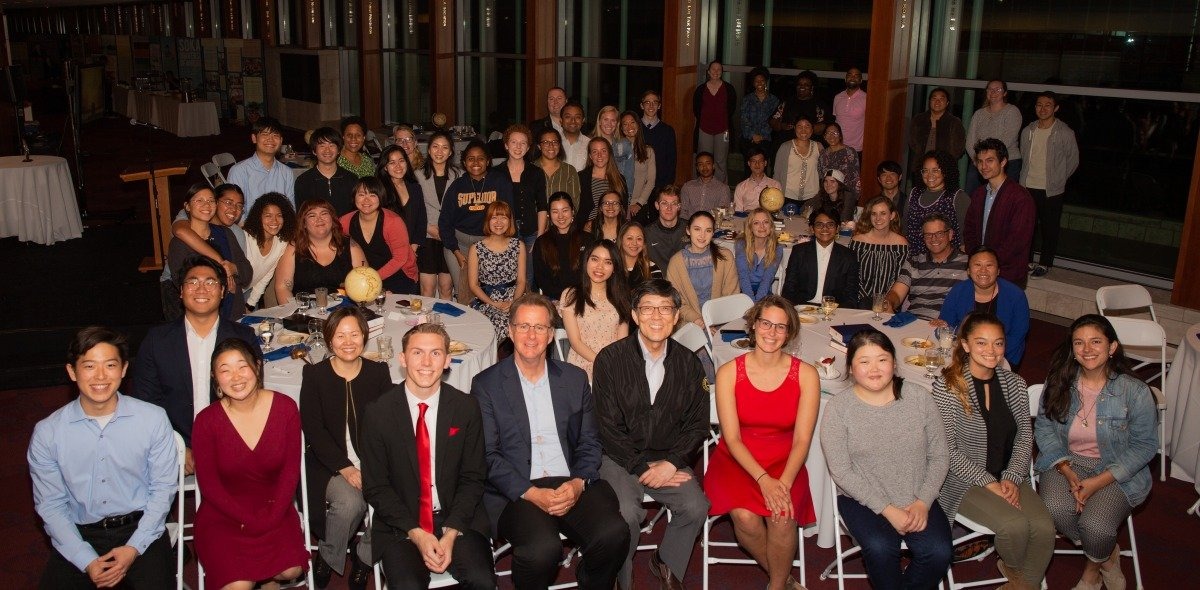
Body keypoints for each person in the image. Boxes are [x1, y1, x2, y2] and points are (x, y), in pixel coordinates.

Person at [473, 294, 631, 588]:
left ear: (550, 334)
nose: (531, 336)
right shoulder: (487, 385)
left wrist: (578, 483)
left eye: (540, 327)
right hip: (519, 489)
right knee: (542, 550)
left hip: (569, 480)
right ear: (510, 331)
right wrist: (532, 493)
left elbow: (589, 442)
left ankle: (590, 581)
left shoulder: (574, 379)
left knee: (614, 533)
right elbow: (488, 455)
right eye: (523, 326)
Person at [29, 327, 177, 590]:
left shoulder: (153, 419)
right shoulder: (48, 433)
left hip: (141, 528)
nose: (100, 376)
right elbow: (51, 506)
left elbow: (163, 490)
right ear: (72, 371)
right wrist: (86, 559)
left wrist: (133, 547)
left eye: (110, 365)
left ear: (124, 369)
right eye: (89, 366)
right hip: (81, 532)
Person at [593, 279, 711, 590]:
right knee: (627, 513)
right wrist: (641, 467)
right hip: (619, 458)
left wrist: (673, 462)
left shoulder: (689, 364)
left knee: (696, 507)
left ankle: (666, 563)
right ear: (634, 315)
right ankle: (622, 579)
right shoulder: (610, 359)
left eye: (665, 309)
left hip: (668, 457)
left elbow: (698, 424)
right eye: (647, 309)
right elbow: (606, 425)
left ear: (676, 317)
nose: (656, 317)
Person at [359, 323, 496, 590]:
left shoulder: (466, 407)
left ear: (447, 361)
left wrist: (452, 531)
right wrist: (417, 534)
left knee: (483, 581)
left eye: (435, 353)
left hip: (457, 516)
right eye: (417, 352)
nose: (426, 362)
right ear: (402, 358)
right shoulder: (378, 413)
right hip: (401, 522)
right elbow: (376, 487)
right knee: (408, 585)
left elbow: (474, 477)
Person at [820, 329, 952, 590]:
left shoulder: (920, 398)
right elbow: (842, 473)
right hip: (864, 499)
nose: (874, 369)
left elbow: (939, 455)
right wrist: (887, 509)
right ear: (851, 367)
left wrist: (923, 502)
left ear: (894, 362)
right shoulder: (838, 409)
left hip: (916, 495)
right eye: (864, 361)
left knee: (938, 552)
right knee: (880, 549)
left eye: (882, 359)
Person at [1034, 314, 1158, 590]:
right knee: (1055, 509)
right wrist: (1065, 470)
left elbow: (1146, 445)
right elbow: (1043, 428)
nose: (1087, 349)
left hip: (1115, 467)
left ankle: (1092, 572)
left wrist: (1096, 483)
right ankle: (1105, 554)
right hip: (1067, 460)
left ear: (1112, 347)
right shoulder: (1059, 382)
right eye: (1079, 343)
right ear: (1072, 349)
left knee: (1096, 527)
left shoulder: (1134, 391)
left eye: (1095, 342)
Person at [703, 296, 819, 590]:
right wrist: (764, 480)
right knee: (744, 516)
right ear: (753, 325)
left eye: (781, 327)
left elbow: (803, 439)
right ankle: (784, 578)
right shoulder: (729, 372)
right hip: (737, 458)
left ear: (790, 333)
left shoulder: (806, 375)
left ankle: (777, 586)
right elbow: (731, 438)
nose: (772, 332)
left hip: (785, 458)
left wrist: (784, 482)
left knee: (782, 516)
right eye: (766, 323)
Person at [931, 313, 1054, 590]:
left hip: (1010, 475)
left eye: (998, 344)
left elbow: (1024, 436)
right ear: (965, 345)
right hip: (963, 482)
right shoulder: (947, 387)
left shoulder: (1016, 384)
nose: (991, 351)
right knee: (1014, 527)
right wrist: (990, 482)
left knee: (1045, 529)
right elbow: (947, 451)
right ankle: (1020, 576)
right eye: (982, 343)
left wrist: (1011, 477)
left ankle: (1021, 584)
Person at [192, 338, 309, 590]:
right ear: (216, 380)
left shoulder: (285, 408)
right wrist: (247, 519)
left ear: (257, 367)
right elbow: (210, 487)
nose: (235, 377)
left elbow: (290, 473)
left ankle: (268, 581)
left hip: (273, 506)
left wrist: (272, 516)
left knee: (291, 569)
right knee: (239, 584)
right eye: (225, 370)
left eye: (241, 366)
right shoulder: (206, 421)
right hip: (223, 513)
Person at [300, 308, 391, 589]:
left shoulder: (378, 372)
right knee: (351, 502)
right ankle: (328, 557)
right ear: (329, 340)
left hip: (374, 461)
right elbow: (314, 430)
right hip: (328, 463)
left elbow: (387, 425)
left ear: (365, 337)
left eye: (355, 334)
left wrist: (373, 467)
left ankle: (364, 558)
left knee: (397, 499)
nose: (348, 341)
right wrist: (346, 467)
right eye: (340, 335)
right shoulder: (314, 375)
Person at [133, 256, 258, 456]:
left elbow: (252, 399)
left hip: (231, 444)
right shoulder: (157, 341)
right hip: (171, 445)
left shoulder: (244, 338)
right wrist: (177, 447)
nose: (201, 289)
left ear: (223, 291)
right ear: (181, 292)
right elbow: (145, 403)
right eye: (192, 282)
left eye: (210, 282)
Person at [440, 141, 516, 303]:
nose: (475, 163)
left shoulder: (499, 182)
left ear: (488, 161)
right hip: (459, 246)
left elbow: (508, 215)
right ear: (464, 162)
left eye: (480, 158)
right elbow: (445, 222)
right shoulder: (457, 186)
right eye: (470, 159)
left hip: (488, 243)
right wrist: (456, 251)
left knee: (486, 292)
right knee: (464, 293)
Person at [165, 184, 253, 321]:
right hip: (198, 317)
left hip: (231, 313)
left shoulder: (226, 234)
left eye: (211, 201)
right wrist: (225, 277)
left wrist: (233, 268)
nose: (206, 205)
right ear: (187, 206)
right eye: (199, 200)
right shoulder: (179, 243)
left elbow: (247, 273)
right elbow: (183, 283)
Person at [1020, 91, 1080, 279]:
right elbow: (1024, 156)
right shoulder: (1028, 130)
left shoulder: (1065, 132)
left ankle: (1045, 263)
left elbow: (1073, 160)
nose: (1043, 108)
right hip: (1028, 186)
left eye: (1047, 105)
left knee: (1050, 228)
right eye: (1039, 104)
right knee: (1028, 226)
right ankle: (1027, 260)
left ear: (1056, 108)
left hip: (1051, 190)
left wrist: (1058, 179)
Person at [938, 246, 1030, 367]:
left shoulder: (1016, 295)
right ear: (968, 271)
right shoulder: (958, 290)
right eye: (977, 265)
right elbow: (946, 325)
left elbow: (1017, 336)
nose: (983, 271)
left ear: (998, 271)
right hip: (964, 353)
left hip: (1003, 356)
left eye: (989, 265)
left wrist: (989, 355)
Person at [963, 138, 1036, 289]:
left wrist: (989, 264)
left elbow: (1017, 241)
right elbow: (969, 230)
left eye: (989, 160)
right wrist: (976, 260)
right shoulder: (979, 194)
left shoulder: (1020, 197)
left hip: (1008, 275)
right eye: (980, 161)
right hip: (980, 273)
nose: (983, 166)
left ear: (1003, 162)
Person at [561, 240, 631, 380]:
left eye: (608, 262)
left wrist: (614, 365)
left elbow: (622, 343)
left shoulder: (621, 297)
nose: (600, 267)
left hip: (613, 364)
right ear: (586, 261)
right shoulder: (571, 295)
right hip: (582, 364)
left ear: (614, 268)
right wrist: (601, 362)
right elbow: (575, 342)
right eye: (595, 259)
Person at [274, 199, 368, 303]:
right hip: (305, 312)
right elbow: (283, 288)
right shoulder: (293, 248)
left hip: (343, 312)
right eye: (312, 215)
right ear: (304, 223)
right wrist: (295, 315)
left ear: (332, 219)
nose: (319, 219)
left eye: (324, 213)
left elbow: (366, 285)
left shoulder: (351, 246)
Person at [341, 177, 418, 295]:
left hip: (398, 276)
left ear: (380, 197)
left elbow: (400, 259)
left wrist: (372, 279)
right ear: (354, 197)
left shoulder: (393, 221)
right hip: (364, 280)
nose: (366, 200)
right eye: (361, 195)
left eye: (372, 195)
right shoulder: (345, 221)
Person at [884, 213, 969, 319]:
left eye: (939, 233)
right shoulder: (914, 262)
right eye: (928, 235)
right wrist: (889, 303)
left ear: (950, 234)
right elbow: (896, 293)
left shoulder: (967, 263)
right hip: (914, 321)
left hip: (948, 323)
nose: (933, 239)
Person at [666, 211, 739, 329]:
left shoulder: (725, 257)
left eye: (708, 230)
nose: (702, 235)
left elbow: (731, 295)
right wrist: (698, 320)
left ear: (713, 233)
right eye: (697, 229)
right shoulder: (676, 262)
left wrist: (714, 321)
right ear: (688, 231)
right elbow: (675, 301)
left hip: (721, 322)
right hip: (690, 324)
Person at [468, 200, 526, 341]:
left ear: (509, 221)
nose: (499, 222)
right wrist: (493, 303)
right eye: (494, 217)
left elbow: (521, 281)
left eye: (503, 217)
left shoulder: (519, 246)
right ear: (487, 221)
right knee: (493, 325)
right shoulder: (476, 248)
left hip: (515, 299)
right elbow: (473, 285)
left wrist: (513, 302)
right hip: (486, 301)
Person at [781, 206, 859, 308]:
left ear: (837, 228)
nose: (825, 228)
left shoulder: (848, 256)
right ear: (811, 229)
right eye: (819, 225)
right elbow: (789, 290)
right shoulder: (799, 252)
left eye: (830, 224)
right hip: (803, 308)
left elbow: (851, 296)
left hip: (834, 310)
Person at [499, 124, 549, 282]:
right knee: (507, 277)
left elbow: (542, 206)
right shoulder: (496, 173)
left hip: (531, 233)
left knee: (528, 277)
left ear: (528, 148)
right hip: (504, 233)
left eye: (523, 143)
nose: (518, 147)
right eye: (513, 142)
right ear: (506, 145)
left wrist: (539, 236)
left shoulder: (536, 173)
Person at [415, 130, 461, 299]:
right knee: (427, 290)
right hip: (426, 238)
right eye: (435, 146)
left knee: (446, 289)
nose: (439, 152)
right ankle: (426, 325)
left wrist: (447, 231)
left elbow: (462, 208)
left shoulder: (459, 176)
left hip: (449, 239)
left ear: (450, 152)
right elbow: (414, 209)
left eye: (444, 147)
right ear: (428, 150)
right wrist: (428, 228)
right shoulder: (417, 175)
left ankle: (444, 325)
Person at [904, 150, 970, 256]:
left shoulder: (958, 197)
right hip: (914, 259)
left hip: (946, 263)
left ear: (945, 171)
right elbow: (905, 229)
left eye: (935, 170)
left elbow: (966, 236)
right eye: (925, 170)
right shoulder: (914, 194)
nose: (929, 175)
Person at [227, 116, 295, 215]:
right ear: (254, 138)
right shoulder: (239, 171)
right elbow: (233, 211)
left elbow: (291, 208)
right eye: (265, 134)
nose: (270, 139)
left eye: (275, 135)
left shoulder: (287, 172)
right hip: (248, 228)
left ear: (280, 141)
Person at [851, 196, 910, 309]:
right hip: (859, 302)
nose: (878, 218)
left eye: (883, 213)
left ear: (892, 216)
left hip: (888, 304)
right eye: (874, 214)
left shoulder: (901, 244)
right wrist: (866, 301)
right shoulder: (858, 241)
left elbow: (899, 278)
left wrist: (883, 302)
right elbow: (853, 276)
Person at [965, 80, 1023, 194]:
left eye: (998, 89)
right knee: (972, 197)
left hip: (1007, 163)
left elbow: (1007, 140)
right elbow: (970, 141)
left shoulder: (1012, 112)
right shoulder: (979, 114)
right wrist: (978, 161)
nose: (993, 92)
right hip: (979, 162)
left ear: (1005, 93)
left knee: (1004, 199)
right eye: (990, 89)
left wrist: (989, 159)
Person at [532, 192, 592, 301]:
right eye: (555, 212)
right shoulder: (541, 243)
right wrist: (563, 300)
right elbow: (541, 279)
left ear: (572, 211)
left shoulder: (588, 239)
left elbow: (591, 274)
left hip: (583, 298)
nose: (560, 216)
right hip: (554, 300)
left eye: (565, 210)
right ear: (549, 214)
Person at [241, 191, 296, 309]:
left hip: (249, 294)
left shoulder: (281, 243)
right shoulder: (246, 238)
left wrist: (250, 304)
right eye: (268, 216)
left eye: (279, 215)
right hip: (229, 294)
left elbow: (266, 276)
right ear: (258, 217)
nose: (274, 221)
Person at [377, 145, 429, 270]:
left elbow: (421, 220)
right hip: (386, 254)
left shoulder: (415, 188)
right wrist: (400, 253)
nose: (398, 166)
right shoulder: (379, 191)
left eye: (401, 161)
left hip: (412, 252)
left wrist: (413, 247)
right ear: (385, 166)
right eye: (392, 162)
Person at [296, 126, 359, 215]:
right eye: (322, 145)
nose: (327, 150)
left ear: (338, 150)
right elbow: (301, 215)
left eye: (331, 145)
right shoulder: (303, 181)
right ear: (314, 151)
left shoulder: (351, 179)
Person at [908, 88, 966, 183]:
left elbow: (958, 148)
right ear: (929, 101)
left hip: (944, 170)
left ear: (947, 103)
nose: (937, 101)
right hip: (921, 167)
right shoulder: (919, 119)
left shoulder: (954, 122)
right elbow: (912, 142)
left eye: (941, 99)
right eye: (934, 98)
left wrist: (944, 163)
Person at [693, 59, 737, 182]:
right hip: (704, 129)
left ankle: (721, 190)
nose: (716, 72)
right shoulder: (701, 90)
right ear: (708, 72)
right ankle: (703, 187)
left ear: (722, 72)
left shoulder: (729, 89)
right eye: (713, 69)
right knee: (704, 161)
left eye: (719, 69)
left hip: (723, 131)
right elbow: (696, 110)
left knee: (720, 161)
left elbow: (731, 109)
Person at [577, 137, 628, 231]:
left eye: (603, 151)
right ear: (590, 156)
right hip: (588, 230)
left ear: (609, 154)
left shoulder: (620, 179)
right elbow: (577, 208)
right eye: (595, 151)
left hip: (614, 229)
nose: (599, 155)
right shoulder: (580, 178)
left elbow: (623, 209)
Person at [770, 71, 833, 147]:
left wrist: (805, 128)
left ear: (812, 87)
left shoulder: (819, 104)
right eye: (799, 84)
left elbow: (824, 127)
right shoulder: (787, 102)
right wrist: (781, 125)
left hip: (810, 146)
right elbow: (773, 121)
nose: (802, 86)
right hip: (787, 144)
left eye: (806, 85)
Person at [735, 208, 785, 302]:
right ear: (750, 228)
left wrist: (757, 304)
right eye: (756, 223)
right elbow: (743, 278)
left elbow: (767, 279)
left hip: (764, 295)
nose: (762, 227)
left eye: (765, 222)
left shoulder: (777, 248)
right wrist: (750, 303)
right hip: (742, 292)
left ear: (771, 226)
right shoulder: (741, 244)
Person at [773, 116, 822, 208]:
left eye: (807, 126)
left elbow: (823, 172)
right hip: (788, 196)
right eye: (799, 126)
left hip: (812, 198)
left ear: (812, 129)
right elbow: (777, 174)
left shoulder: (818, 147)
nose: (803, 130)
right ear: (794, 128)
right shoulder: (785, 147)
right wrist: (776, 196)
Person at [617, 110, 656, 218]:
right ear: (621, 128)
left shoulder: (648, 151)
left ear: (638, 125)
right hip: (618, 204)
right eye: (625, 124)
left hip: (638, 206)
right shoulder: (616, 149)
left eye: (632, 122)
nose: (629, 126)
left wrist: (639, 203)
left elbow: (651, 181)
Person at [740, 67, 780, 167]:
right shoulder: (747, 99)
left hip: (766, 140)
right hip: (749, 139)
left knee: (763, 168)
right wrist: (753, 135)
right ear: (753, 83)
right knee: (748, 169)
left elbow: (775, 120)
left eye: (762, 80)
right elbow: (744, 119)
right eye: (756, 81)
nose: (759, 83)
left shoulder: (774, 100)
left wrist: (762, 136)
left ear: (766, 81)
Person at [536, 128, 582, 212]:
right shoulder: (530, 169)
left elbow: (575, 202)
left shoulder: (569, 170)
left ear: (559, 145)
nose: (551, 145)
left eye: (555, 142)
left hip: (562, 222)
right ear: (539, 146)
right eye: (545, 142)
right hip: (535, 223)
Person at [643, 185, 687, 271]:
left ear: (679, 206)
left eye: (673, 203)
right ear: (657, 205)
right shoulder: (647, 233)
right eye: (664, 203)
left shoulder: (690, 229)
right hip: (659, 281)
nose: (669, 208)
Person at [641, 90, 678, 188]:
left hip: (660, 184)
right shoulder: (634, 129)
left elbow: (671, 160)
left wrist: (668, 184)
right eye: (647, 102)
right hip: (638, 184)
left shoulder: (668, 130)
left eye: (655, 102)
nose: (651, 106)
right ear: (642, 106)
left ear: (659, 106)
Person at [680, 151, 732, 219]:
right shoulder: (687, 187)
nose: (704, 167)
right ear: (697, 168)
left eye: (708, 163)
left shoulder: (723, 189)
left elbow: (723, 214)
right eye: (701, 164)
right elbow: (683, 212)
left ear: (713, 166)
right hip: (690, 225)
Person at [817, 121, 861, 202]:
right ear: (824, 137)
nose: (831, 136)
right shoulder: (822, 155)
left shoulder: (849, 152)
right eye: (828, 133)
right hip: (828, 197)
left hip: (846, 197)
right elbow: (821, 178)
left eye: (835, 133)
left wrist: (853, 199)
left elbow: (856, 178)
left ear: (840, 136)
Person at [733, 146, 781, 212]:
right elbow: (738, 212)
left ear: (765, 163)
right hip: (748, 220)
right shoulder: (741, 187)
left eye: (760, 161)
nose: (757, 164)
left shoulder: (775, 185)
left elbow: (777, 210)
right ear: (749, 163)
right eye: (753, 161)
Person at [619, 221, 663, 287]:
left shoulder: (652, 268)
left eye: (639, 239)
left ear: (644, 243)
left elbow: (657, 295)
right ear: (621, 240)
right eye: (630, 238)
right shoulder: (611, 267)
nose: (634, 243)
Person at [833, 67, 867, 153]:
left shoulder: (867, 98)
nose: (853, 78)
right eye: (850, 75)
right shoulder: (837, 97)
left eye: (856, 76)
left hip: (856, 149)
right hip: (837, 146)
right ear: (845, 79)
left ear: (861, 80)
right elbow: (836, 121)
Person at [560, 101, 590, 171]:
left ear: (583, 121)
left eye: (577, 117)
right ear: (561, 120)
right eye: (568, 117)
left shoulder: (589, 144)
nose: (573, 121)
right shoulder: (553, 143)